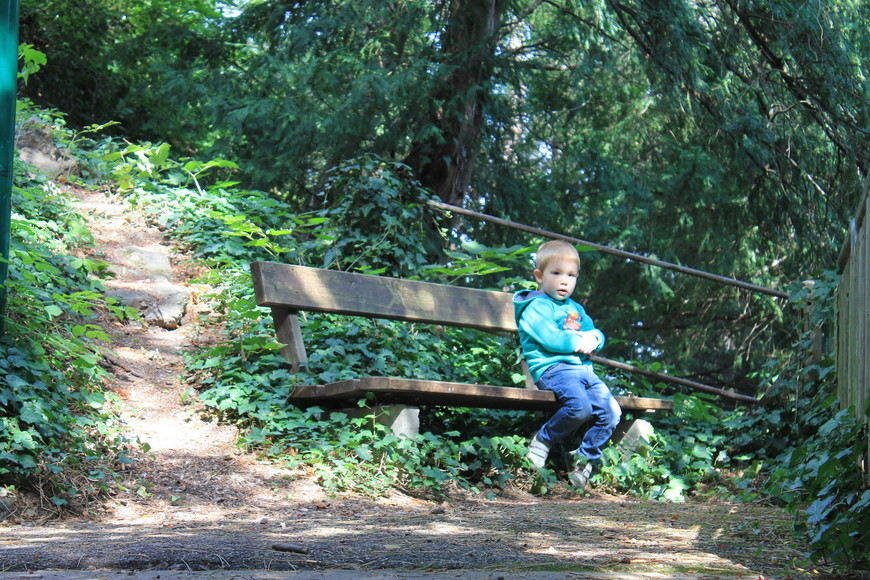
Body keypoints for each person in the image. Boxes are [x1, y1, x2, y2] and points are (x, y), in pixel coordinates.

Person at [513, 240, 621, 489]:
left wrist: (594, 338)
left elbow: (595, 332)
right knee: (580, 407)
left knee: (611, 413)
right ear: (540, 276)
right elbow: (551, 338)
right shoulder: (535, 306)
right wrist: (577, 341)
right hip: (553, 370)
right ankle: (543, 439)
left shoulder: (575, 308)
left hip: (583, 372)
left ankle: (584, 460)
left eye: (571, 275)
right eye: (557, 273)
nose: (565, 281)